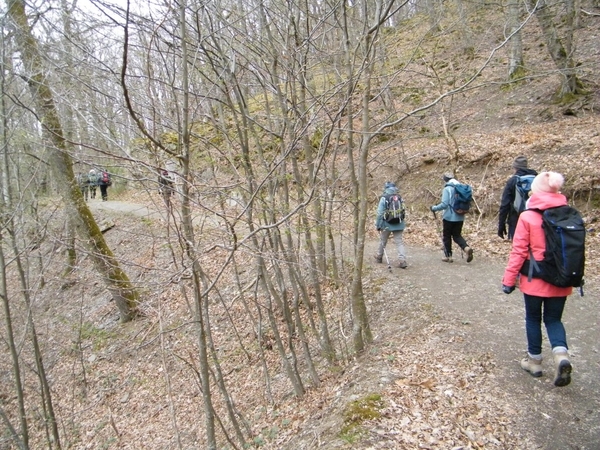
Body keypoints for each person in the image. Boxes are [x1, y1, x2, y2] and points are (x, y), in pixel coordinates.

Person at [501, 171, 572, 387]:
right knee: (554, 319)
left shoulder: (528, 216)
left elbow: (519, 251)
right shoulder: (569, 214)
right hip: (561, 278)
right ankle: (561, 356)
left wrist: (508, 279)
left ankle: (535, 362)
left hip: (535, 280)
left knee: (533, 318)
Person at [430, 172, 473, 263]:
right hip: (460, 216)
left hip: (449, 217)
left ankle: (448, 256)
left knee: (447, 236)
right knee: (457, 235)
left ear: (445, 180)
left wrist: (434, 208)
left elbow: (445, 204)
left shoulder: (447, 189)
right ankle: (466, 248)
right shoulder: (460, 187)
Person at [498, 156, 538, 240]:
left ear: (515, 168)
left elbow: (505, 205)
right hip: (535, 219)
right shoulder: (537, 179)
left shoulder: (513, 181)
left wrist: (501, 225)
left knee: (519, 247)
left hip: (516, 220)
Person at [374, 181, 407, 268]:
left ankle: (379, 256)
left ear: (386, 188)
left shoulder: (384, 198)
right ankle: (402, 260)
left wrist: (378, 225)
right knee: (399, 242)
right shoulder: (399, 197)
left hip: (387, 224)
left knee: (383, 240)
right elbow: (403, 210)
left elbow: (380, 213)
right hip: (399, 223)